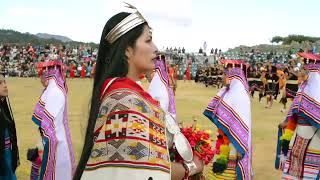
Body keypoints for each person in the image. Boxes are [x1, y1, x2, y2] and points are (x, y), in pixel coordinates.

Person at [75, 4, 203, 180]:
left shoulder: (123, 93)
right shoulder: (125, 101)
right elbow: (144, 172)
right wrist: (191, 167)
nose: (155, 48)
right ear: (128, 50)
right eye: (148, 40)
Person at [204, 60, 252, 180]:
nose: (222, 76)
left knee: (230, 174)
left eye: (225, 74)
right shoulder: (227, 92)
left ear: (232, 75)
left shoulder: (240, 95)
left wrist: (240, 146)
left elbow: (241, 123)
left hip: (235, 144)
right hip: (223, 140)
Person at [275, 52, 320, 179]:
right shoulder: (303, 88)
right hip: (298, 137)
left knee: (310, 171)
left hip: (315, 138)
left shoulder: (317, 89)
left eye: (306, 68)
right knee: (293, 170)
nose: (302, 71)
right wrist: (287, 122)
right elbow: (295, 112)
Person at [32, 60, 75, 180]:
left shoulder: (54, 91)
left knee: (58, 173)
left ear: (46, 73)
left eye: (40, 74)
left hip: (56, 143)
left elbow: (49, 124)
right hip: (57, 140)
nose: (40, 78)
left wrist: (45, 143)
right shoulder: (53, 89)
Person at [0, 73, 19, 180]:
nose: (5, 85)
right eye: (0, 83)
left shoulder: (3, 106)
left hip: (7, 155)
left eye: (5, 82)